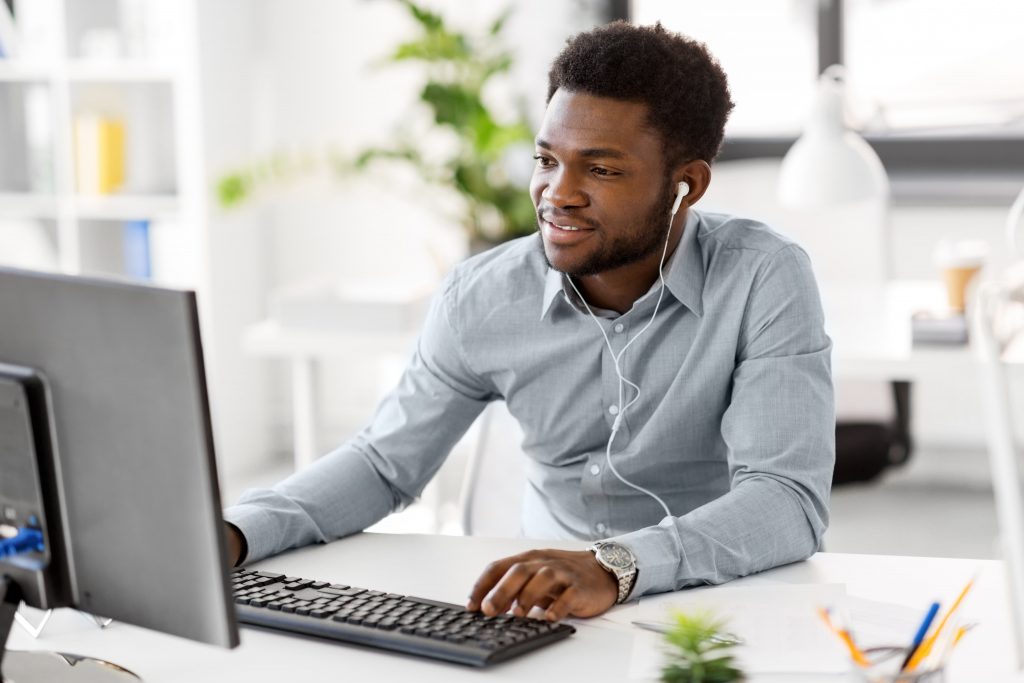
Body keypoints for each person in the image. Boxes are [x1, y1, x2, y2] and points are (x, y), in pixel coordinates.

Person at [224, 21, 834, 623]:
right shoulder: (480, 297)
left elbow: (785, 500)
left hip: (719, 596)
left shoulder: (763, 276)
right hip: (545, 606)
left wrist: (612, 565)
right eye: (547, 159)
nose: (555, 194)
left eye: (601, 170)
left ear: (687, 185)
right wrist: (236, 533)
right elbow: (383, 465)